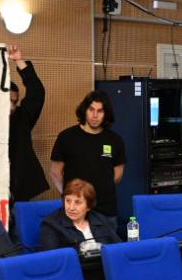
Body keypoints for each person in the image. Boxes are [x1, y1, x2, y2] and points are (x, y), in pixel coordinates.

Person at [50, 91, 127, 221]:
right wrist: (71, 196)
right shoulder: (66, 137)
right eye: (91, 110)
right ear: (84, 110)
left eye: (100, 111)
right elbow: (55, 172)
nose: (95, 115)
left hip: (106, 211)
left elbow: (118, 175)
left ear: (106, 114)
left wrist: (101, 189)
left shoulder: (115, 140)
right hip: (75, 210)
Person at [7, 45, 48, 203]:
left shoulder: (21, 117)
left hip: (19, 189)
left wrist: (19, 61)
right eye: (8, 101)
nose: (12, 107)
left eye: (14, 102)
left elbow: (37, 92)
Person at [38, 178, 123, 250]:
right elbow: (52, 259)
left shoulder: (99, 219)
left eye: (78, 202)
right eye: (68, 201)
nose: (71, 208)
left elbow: (119, 247)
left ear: (89, 206)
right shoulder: (51, 224)